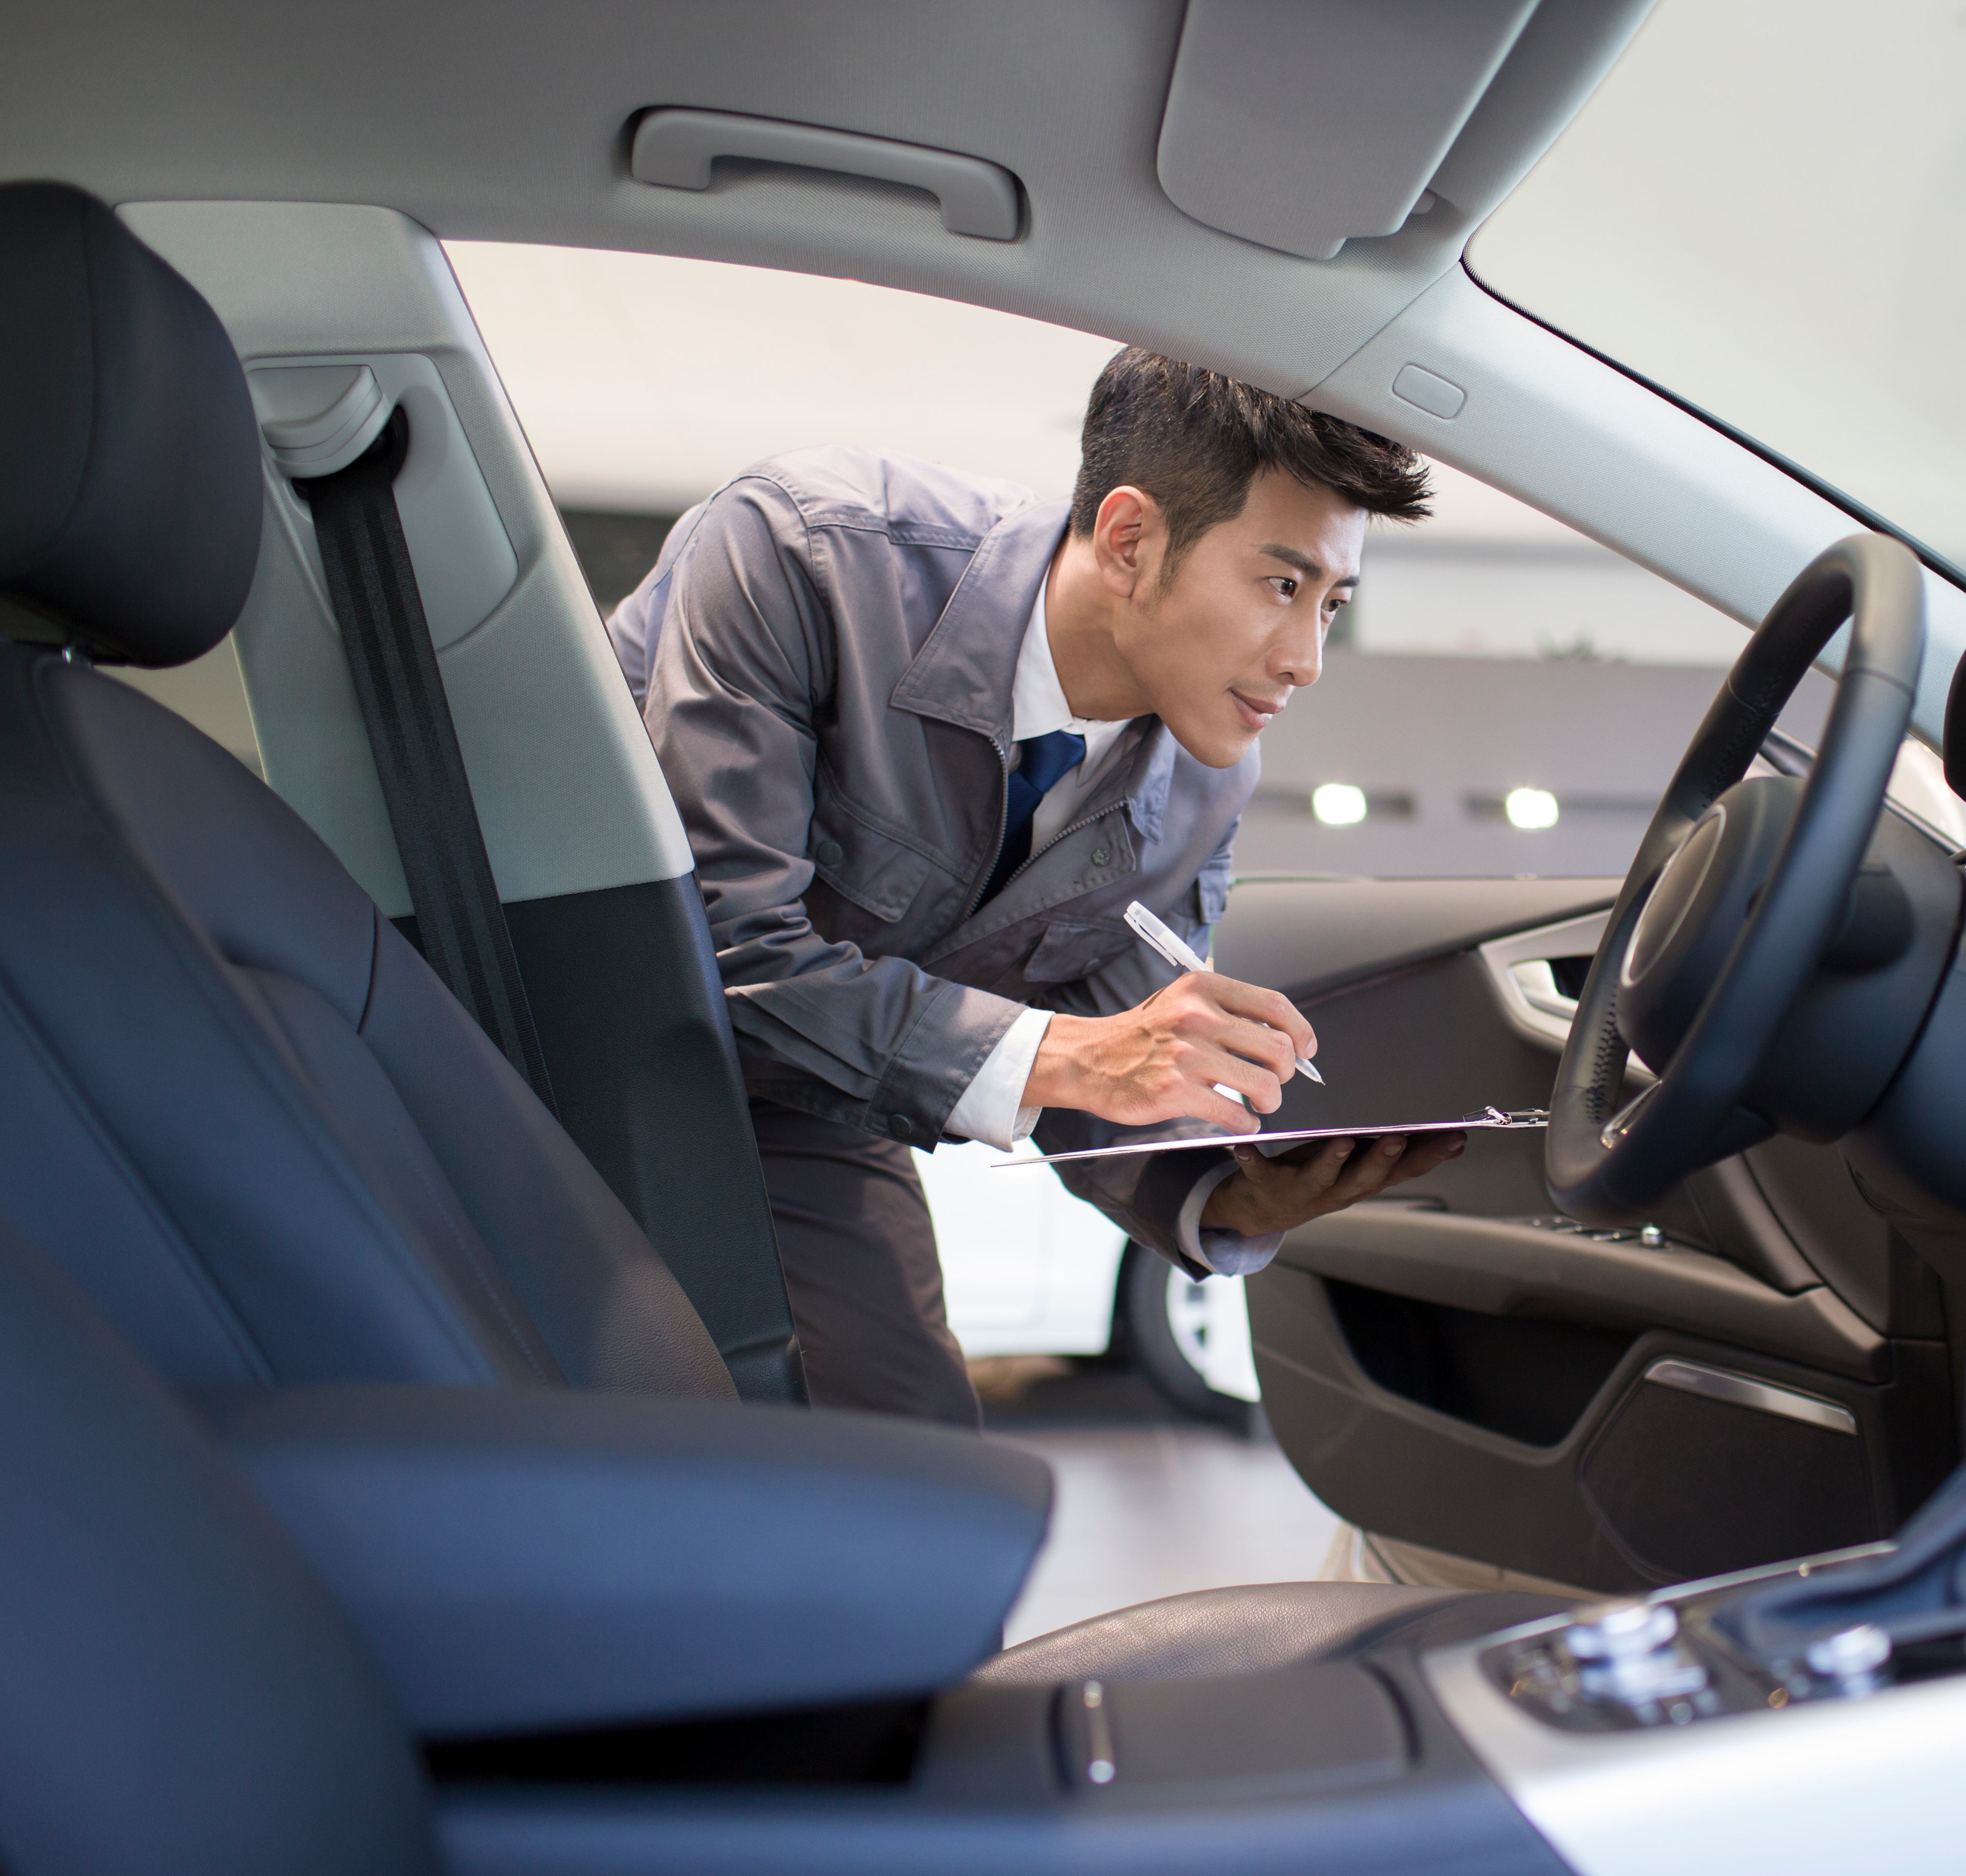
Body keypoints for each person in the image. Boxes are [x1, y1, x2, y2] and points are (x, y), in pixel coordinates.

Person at [608, 348, 1467, 1426]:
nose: (1306, 658)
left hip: (805, 1102)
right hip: (561, 1039)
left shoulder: (1211, 776)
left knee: (916, 1463)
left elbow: (1118, 1047)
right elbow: (718, 948)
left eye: (1332, 603)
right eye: (1281, 585)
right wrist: (1083, 1057)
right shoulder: (805, 553)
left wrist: (1231, 1187)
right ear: (1129, 540)